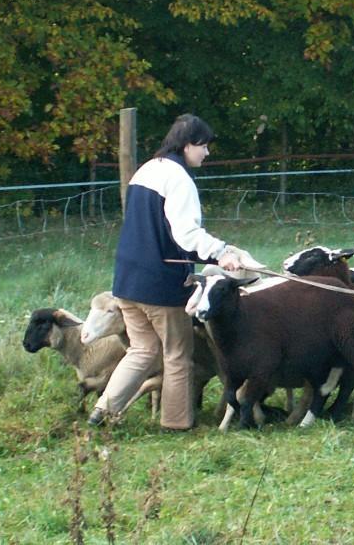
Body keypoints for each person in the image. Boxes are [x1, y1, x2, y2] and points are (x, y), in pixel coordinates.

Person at [88, 113, 262, 431]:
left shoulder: (147, 170)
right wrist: (222, 252)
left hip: (127, 281)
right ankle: (177, 423)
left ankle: (102, 410)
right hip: (160, 285)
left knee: (142, 349)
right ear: (187, 144)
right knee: (178, 353)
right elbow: (185, 234)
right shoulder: (179, 179)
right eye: (204, 146)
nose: (206, 153)